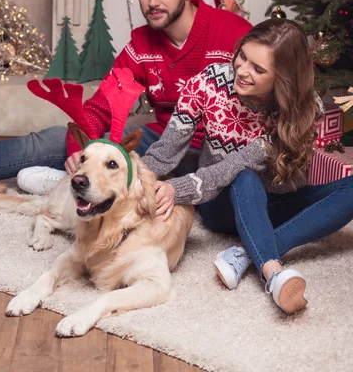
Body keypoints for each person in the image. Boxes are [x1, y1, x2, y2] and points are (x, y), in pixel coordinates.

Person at [0, 0, 251, 190]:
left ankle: (67, 184)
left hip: (216, 153)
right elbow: (97, 110)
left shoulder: (233, 34)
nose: (152, 2)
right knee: (56, 138)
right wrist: (79, 151)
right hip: (161, 142)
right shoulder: (141, 46)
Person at [143, 18, 353, 315]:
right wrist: (134, 183)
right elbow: (166, 153)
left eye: (258, 69)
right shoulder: (208, 83)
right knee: (244, 176)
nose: (241, 70)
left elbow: (254, 164)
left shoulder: (305, 109)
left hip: (276, 204)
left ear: (283, 78)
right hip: (222, 203)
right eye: (243, 56)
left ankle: (247, 252)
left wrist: (176, 188)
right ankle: (273, 271)